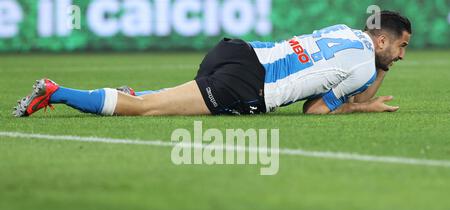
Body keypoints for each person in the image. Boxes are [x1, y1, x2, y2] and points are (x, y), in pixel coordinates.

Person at [13, 10, 411, 118]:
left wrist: (379, 69)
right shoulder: (364, 66)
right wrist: (359, 104)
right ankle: (56, 92)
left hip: (236, 51)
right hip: (250, 84)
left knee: (162, 100)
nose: (401, 55)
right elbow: (316, 109)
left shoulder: (343, 29)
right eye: (400, 47)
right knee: (147, 109)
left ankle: (131, 94)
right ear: (381, 39)